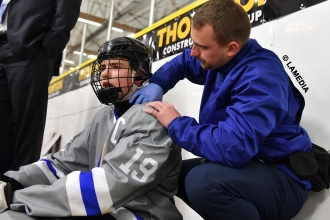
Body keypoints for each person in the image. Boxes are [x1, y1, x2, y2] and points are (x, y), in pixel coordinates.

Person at [129, 0, 313, 219]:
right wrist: (159, 83)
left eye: (203, 47)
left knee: (203, 183)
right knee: (164, 174)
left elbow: (233, 147)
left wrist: (176, 123)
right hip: (252, 163)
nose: (194, 52)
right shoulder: (221, 58)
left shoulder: (261, 77)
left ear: (231, 48)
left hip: (283, 176)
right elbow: (184, 62)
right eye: (193, 43)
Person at [0, 37, 182, 220]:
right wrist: (11, 182)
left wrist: (17, 198)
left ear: (140, 73)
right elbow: (61, 165)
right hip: (106, 210)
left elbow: (105, 189)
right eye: (102, 68)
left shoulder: (152, 121)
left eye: (116, 67)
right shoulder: (104, 116)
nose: (104, 74)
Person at [0, 0, 82, 174]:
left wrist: (50, 47)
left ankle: (18, 186)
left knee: (27, 125)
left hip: (30, 48)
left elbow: (67, 8)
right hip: (2, 44)